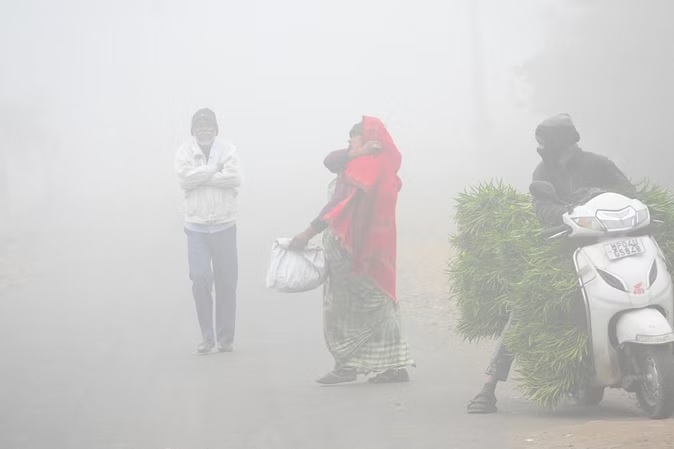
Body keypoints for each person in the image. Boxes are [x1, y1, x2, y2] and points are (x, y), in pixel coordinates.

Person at [467, 113, 633, 413]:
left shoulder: (599, 164)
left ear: (563, 139)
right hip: (563, 248)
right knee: (525, 306)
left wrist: (598, 197)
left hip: (611, 244)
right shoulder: (543, 171)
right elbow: (542, 207)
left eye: (545, 139)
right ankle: (488, 387)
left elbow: (628, 193)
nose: (541, 145)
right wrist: (569, 212)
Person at [289, 116, 414, 384]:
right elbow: (332, 160)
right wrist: (359, 150)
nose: (348, 145)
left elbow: (338, 206)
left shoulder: (364, 169)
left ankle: (348, 365)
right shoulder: (378, 165)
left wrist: (307, 233)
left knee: (343, 308)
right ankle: (392, 364)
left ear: (368, 139)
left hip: (353, 249)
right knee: (380, 303)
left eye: (352, 139)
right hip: (375, 250)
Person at [174, 108, 243, 355]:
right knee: (200, 277)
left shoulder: (228, 149)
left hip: (225, 224)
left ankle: (225, 338)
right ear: (193, 131)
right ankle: (207, 336)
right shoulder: (184, 152)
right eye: (199, 126)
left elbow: (235, 178)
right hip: (197, 227)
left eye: (209, 126)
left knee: (227, 282)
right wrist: (215, 170)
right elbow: (184, 180)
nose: (204, 130)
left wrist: (201, 176)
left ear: (216, 129)